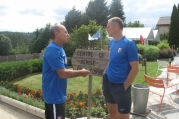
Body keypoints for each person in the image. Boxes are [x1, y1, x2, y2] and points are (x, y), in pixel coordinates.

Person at [42, 24, 90, 119]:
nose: (68, 34)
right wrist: (81, 72)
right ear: (57, 34)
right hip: (54, 96)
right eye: (65, 32)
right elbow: (63, 73)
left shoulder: (59, 49)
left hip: (58, 95)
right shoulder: (53, 49)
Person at [103, 17, 139, 119]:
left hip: (121, 85)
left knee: (123, 115)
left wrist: (124, 86)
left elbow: (135, 68)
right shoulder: (111, 43)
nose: (107, 29)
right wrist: (106, 70)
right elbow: (112, 59)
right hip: (108, 82)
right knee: (112, 111)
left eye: (108, 26)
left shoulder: (129, 44)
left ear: (116, 26)